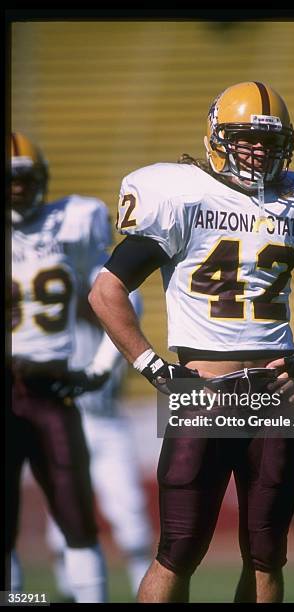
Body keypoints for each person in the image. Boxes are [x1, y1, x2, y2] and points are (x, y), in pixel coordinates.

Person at [89, 81, 294, 603]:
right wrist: (156, 369)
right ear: (218, 138)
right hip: (205, 393)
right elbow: (106, 291)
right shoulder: (180, 195)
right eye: (245, 138)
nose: (259, 151)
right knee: (179, 548)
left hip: (274, 396)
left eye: (269, 141)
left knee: (266, 553)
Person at [9, 132, 125, 603]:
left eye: (25, 180)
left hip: (52, 386)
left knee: (77, 517)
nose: (18, 190)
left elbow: (120, 294)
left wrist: (100, 365)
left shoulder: (74, 220)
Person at [45, 289, 153, 600]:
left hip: (109, 423)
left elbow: (126, 296)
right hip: (67, 422)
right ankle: (69, 592)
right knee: (62, 523)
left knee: (131, 517)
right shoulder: (61, 314)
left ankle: (141, 590)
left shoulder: (123, 310)